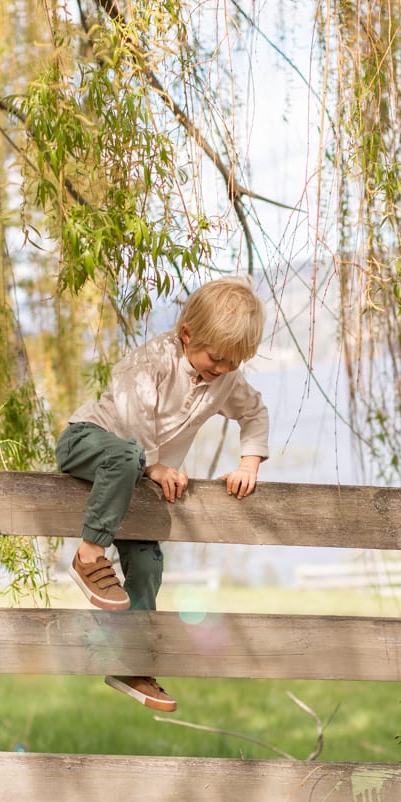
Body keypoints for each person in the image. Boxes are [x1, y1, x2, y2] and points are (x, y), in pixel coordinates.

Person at [57, 279, 269, 712]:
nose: (223, 369)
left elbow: (254, 412)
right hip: (91, 444)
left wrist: (248, 463)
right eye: (216, 358)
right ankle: (88, 555)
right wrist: (154, 463)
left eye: (234, 362)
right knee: (128, 455)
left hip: (138, 485)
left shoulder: (226, 379)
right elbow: (134, 412)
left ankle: (131, 663)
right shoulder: (154, 359)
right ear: (188, 334)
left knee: (148, 563)